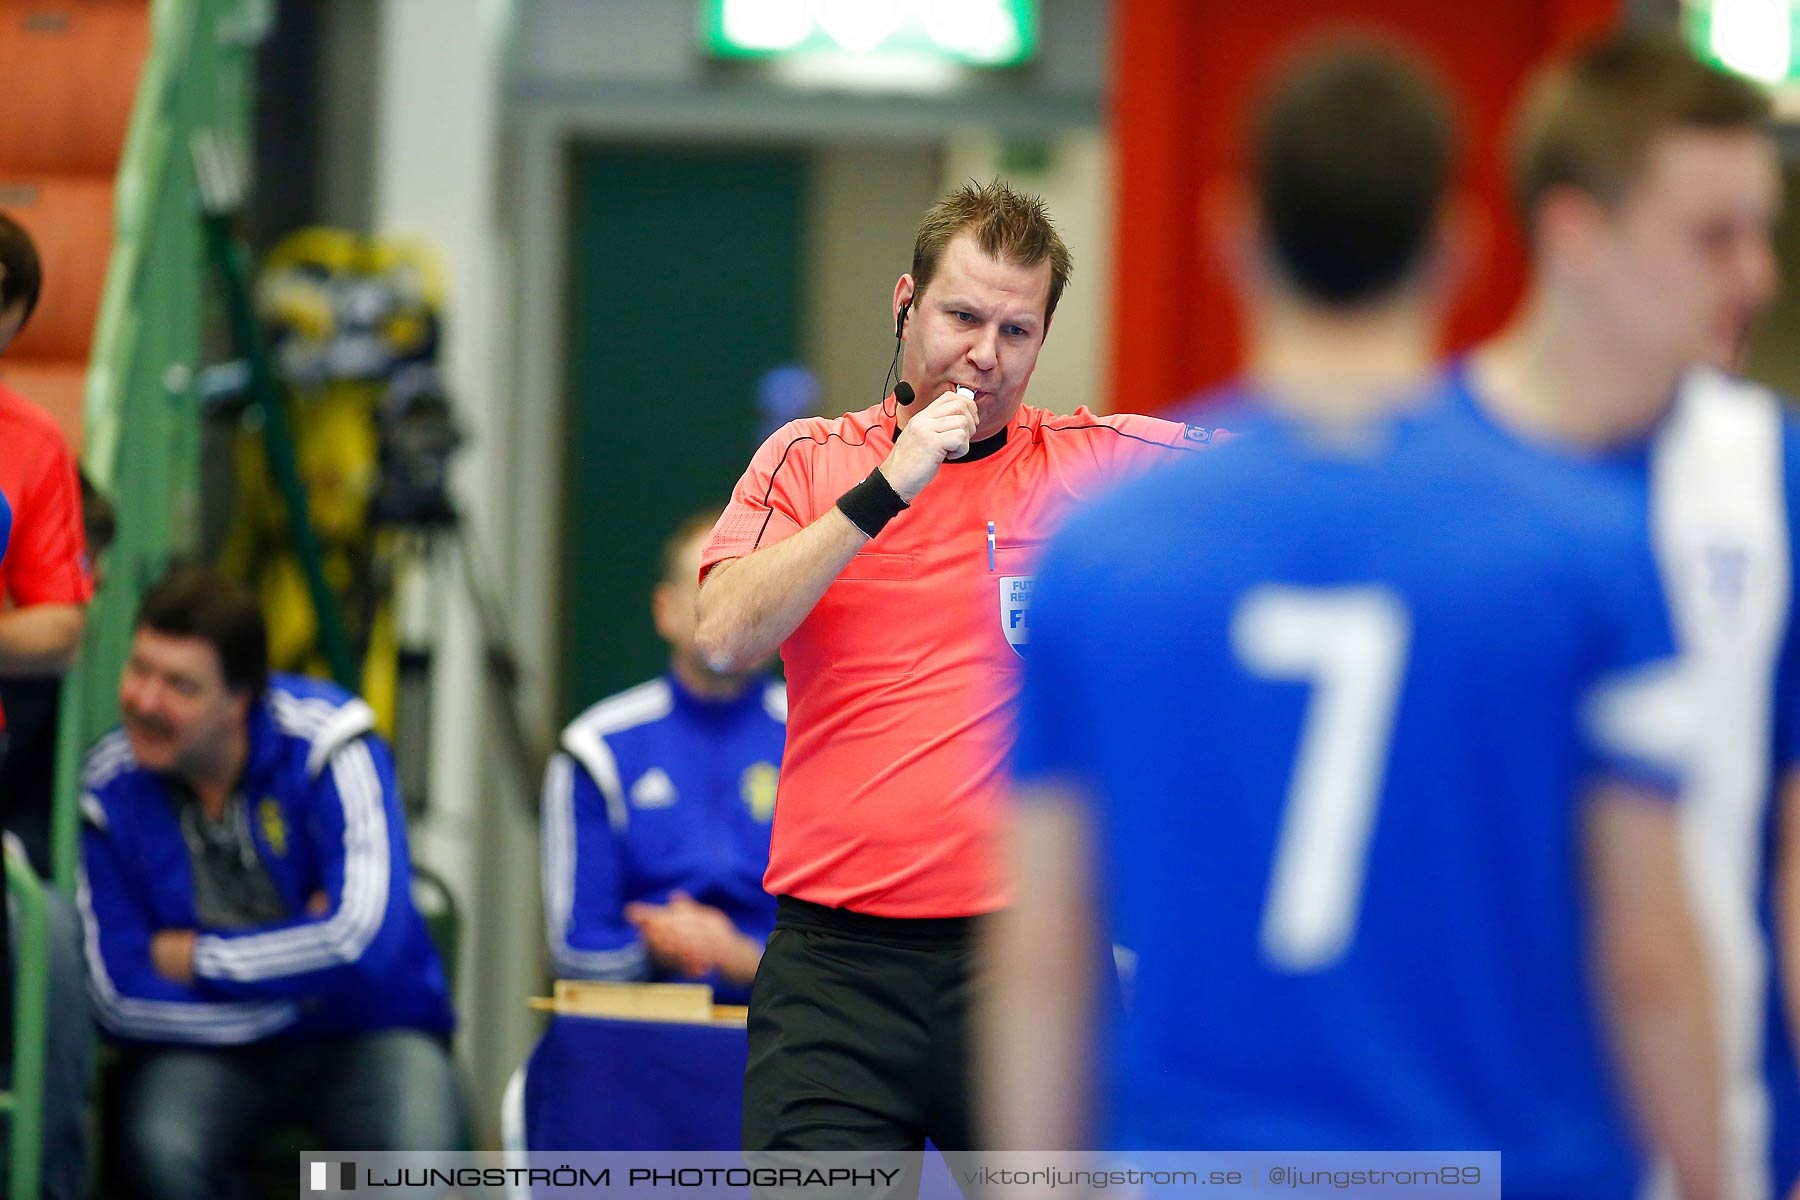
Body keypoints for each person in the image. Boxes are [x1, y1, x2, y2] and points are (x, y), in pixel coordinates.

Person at [985, 41, 1721, 1200]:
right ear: (1457, 245)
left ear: (1234, 237)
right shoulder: (1582, 541)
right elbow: (1648, 953)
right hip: (1507, 1166)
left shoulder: (1105, 553)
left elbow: (1043, 955)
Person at [694, 179, 1220, 1155]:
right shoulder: (806, 461)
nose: (984, 355)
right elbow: (722, 635)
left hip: (1029, 963)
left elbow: (1282, 468)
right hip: (835, 973)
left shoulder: (1089, 464)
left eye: (1017, 332)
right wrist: (884, 490)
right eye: (963, 317)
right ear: (906, 303)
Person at [1461, 31, 1796, 1200]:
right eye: (1714, 236)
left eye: (1764, 232)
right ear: (1577, 236)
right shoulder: (1424, 487)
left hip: (1719, 1142)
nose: (1756, 274)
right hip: (1467, 1137)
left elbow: (1795, 841)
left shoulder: (1777, 478)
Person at [78, 565, 458, 1200]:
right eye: (139, 670)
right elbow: (116, 991)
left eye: (180, 686)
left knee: (417, 1173)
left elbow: (362, 939)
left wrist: (196, 956)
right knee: (161, 1148)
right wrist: (297, 979)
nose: (145, 701)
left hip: (369, 1032)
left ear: (240, 699)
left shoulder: (332, 741)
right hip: (207, 1048)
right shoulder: (108, 783)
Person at [541, 509, 786, 1006]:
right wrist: (661, 947)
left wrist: (739, 955)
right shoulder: (596, 748)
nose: (739, 612)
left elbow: (862, 958)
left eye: (757, 591)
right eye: (712, 592)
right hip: (635, 1034)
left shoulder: (823, 734)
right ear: (665, 610)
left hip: (786, 1037)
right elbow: (576, 953)